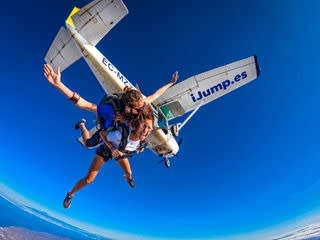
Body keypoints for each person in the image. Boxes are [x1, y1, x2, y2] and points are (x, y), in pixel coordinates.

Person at [63, 105, 154, 209]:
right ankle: (70, 194)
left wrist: (139, 148)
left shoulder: (142, 140)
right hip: (106, 151)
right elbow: (102, 134)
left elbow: (135, 145)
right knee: (89, 178)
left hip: (119, 153)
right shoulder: (120, 135)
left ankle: (128, 177)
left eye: (149, 128)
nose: (145, 130)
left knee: (129, 173)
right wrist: (112, 148)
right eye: (144, 126)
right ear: (137, 124)